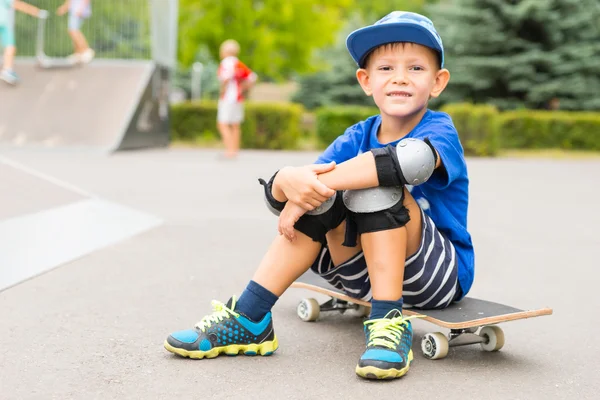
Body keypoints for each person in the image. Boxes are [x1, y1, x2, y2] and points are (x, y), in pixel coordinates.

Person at [164, 11, 474, 381]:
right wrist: (287, 181)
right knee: (320, 195)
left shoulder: (440, 130)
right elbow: (292, 197)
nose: (400, 78)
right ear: (365, 80)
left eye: (416, 69)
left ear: (438, 82)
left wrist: (319, 182)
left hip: (435, 276)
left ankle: (389, 321)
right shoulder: (357, 134)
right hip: (358, 273)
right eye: (386, 68)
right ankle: (250, 316)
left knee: (375, 180)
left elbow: (410, 162)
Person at [216, 39, 257, 159]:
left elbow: (225, 78)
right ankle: (235, 150)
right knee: (235, 124)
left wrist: (223, 88)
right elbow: (252, 77)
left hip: (228, 97)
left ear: (225, 51)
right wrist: (243, 88)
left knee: (222, 124)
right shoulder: (239, 63)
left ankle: (229, 150)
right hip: (238, 98)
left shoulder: (226, 63)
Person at [0, 0, 47, 85]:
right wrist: (36, 11)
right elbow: (17, 4)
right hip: (3, 23)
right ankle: (7, 70)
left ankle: (7, 71)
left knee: (10, 46)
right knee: (10, 46)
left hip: (3, 23)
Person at [56, 0, 94, 64]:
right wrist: (64, 8)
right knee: (74, 30)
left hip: (78, 10)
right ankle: (78, 53)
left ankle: (85, 50)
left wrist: (81, 9)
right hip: (75, 10)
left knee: (73, 30)